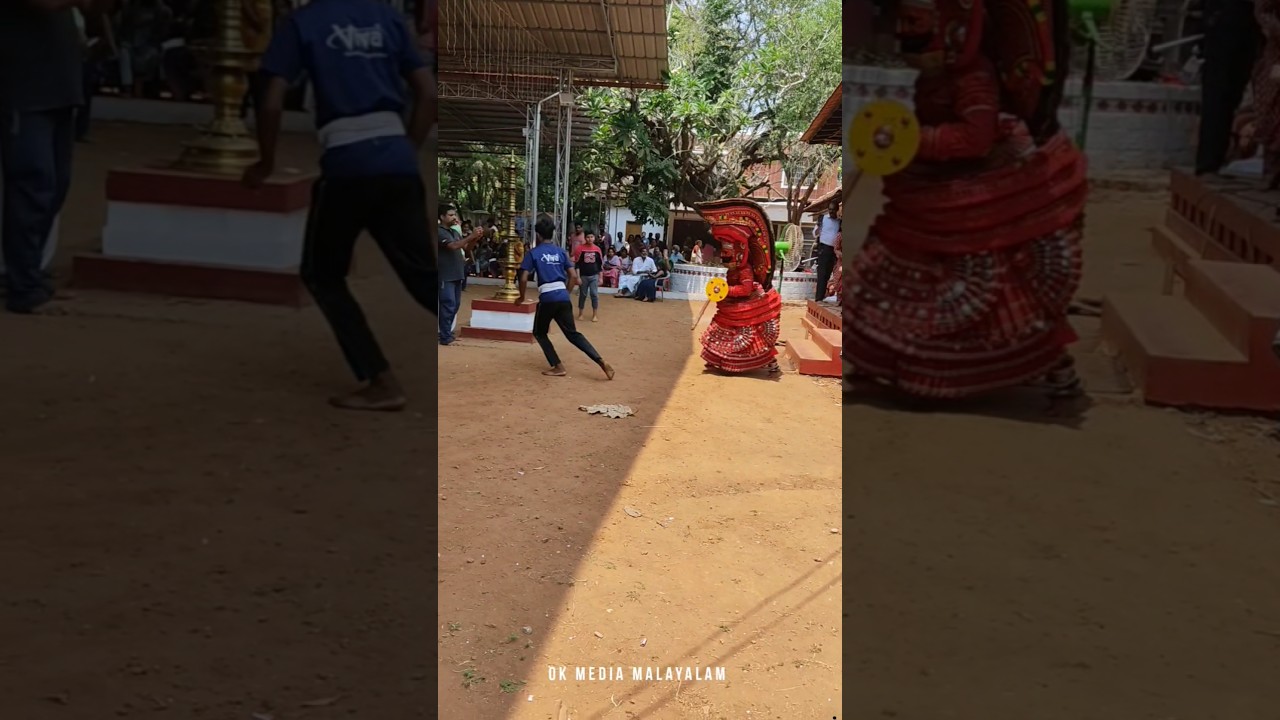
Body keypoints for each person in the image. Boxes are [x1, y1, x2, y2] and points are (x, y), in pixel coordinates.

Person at [844, 0, 1087, 402]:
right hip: (932, 191)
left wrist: (916, 141)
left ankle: (1048, 366)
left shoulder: (974, 78)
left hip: (981, 196)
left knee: (1000, 292)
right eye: (901, 21)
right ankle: (882, 362)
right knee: (884, 266)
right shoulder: (933, 78)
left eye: (914, 21)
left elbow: (976, 138)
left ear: (951, 27)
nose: (903, 32)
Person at [242, 0, 437, 410]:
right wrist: (407, 148)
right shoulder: (386, 18)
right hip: (397, 164)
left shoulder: (302, 22)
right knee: (421, 276)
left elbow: (272, 99)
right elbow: (427, 93)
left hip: (346, 167)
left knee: (322, 274)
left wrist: (265, 162)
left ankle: (381, 380)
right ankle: (492, 339)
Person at [0, 0, 103, 314]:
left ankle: (25, 273)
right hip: (23, 87)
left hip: (59, 87)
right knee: (34, 181)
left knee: (55, 184)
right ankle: (24, 285)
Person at [516, 215, 615, 380]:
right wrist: (565, 293)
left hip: (547, 298)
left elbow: (523, 278)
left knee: (539, 333)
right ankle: (600, 360)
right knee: (573, 334)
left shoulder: (533, 253)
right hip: (562, 295)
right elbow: (573, 277)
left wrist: (521, 297)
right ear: (552, 234)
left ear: (538, 235)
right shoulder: (561, 251)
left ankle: (558, 366)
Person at [695, 199, 782, 374]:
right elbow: (729, 287)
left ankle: (769, 362)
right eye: (724, 256)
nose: (725, 259)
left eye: (728, 256)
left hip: (748, 305)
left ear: (740, 254)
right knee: (720, 326)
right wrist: (721, 291)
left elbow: (746, 289)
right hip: (732, 304)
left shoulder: (745, 270)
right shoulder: (732, 271)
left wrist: (727, 291)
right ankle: (715, 359)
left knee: (754, 336)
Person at [1196, 0, 1262, 175]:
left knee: (1230, 95)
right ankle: (1209, 162)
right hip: (1228, 19)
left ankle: (1213, 160)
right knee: (1220, 94)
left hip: (1246, 20)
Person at [438, 206, 484, 344]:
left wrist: (475, 239)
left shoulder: (454, 232)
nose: (454, 217)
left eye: (454, 214)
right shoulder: (439, 232)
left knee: (455, 305)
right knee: (448, 304)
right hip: (445, 274)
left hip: (457, 273)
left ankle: (445, 332)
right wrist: (471, 236)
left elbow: (466, 248)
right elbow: (453, 246)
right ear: (442, 217)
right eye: (450, 215)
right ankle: (445, 336)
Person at [813, 200, 840, 302]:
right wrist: (818, 229)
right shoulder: (822, 219)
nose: (831, 212)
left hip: (834, 251)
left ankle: (823, 295)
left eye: (833, 210)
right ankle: (818, 298)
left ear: (838, 210)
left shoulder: (839, 222)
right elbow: (814, 233)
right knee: (822, 273)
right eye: (830, 209)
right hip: (823, 249)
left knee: (829, 274)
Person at [573, 231, 603, 321]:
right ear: (585, 238)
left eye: (592, 237)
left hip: (594, 275)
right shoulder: (580, 249)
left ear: (594, 238)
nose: (590, 239)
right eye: (588, 237)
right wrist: (578, 277)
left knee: (594, 294)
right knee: (583, 294)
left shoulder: (597, 249)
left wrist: (601, 277)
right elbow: (577, 264)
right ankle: (580, 313)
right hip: (583, 276)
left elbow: (599, 265)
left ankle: (595, 314)